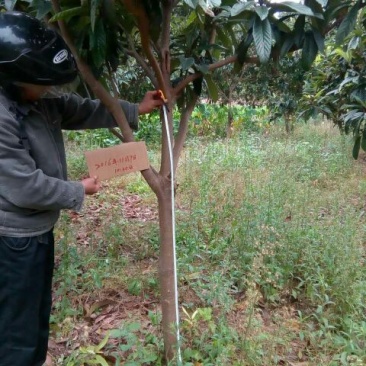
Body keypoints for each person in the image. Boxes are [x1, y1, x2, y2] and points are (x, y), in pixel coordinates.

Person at [0, 10, 163, 366]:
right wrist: (78, 189)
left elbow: (81, 108)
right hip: (13, 239)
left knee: (35, 314)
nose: (47, 91)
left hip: (37, 230)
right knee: (17, 330)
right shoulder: (2, 117)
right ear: (13, 78)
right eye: (41, 84)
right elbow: (25, 186)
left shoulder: (37, 99)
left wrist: (136, 108)